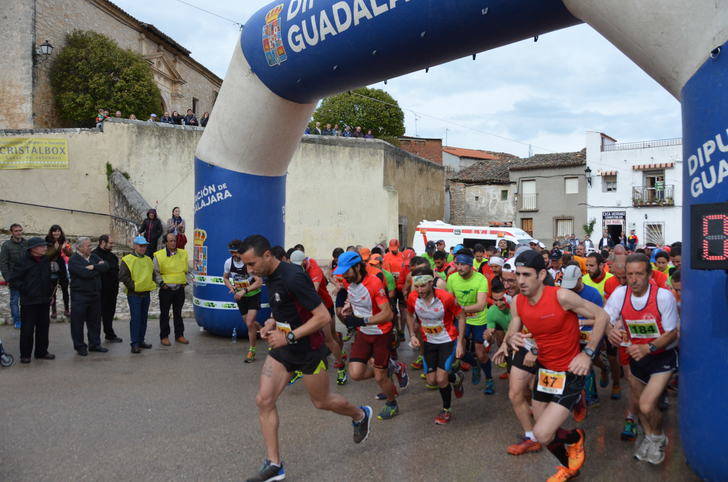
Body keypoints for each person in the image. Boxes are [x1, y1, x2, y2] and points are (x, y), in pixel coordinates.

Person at [239, 235, 372, 482]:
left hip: (308, 349)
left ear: (267, 255)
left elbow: (322, 317)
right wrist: (271, 323)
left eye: (252, 264)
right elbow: (286, 310)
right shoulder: (270, 276)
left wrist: (289, 337)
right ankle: (274, 463)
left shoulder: (293, 277)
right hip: (283, 348)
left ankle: (360, 414)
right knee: (264, 400)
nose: (250, 270)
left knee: (321, 402)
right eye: (247, 265)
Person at [508, 250, 609, 481]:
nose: (520, 280)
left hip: (570, 371)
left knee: (542, 434)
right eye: (518, 274)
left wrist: (588, 354)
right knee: (544, 433)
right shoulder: (517, 301)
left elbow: (601, 316)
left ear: (542, 274)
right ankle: (569, 467)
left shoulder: (562, 297)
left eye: (527, 274)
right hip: (545, 371)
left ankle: (575, 438)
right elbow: (514, 327)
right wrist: (511, 339)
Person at [605, 254, 679, 465]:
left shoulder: (663, 297)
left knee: (647, 405)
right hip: (636, 356)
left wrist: (649, 347)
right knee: (638, 403)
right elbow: (606, 317)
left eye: (639, 274)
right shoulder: (621, 293)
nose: (634, 279)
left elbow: (672, 332)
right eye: (630, 274)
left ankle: (658, 438)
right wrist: (611, 331)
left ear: (649, 275)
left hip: (661, 356)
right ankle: (649, 436)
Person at [335, 251, 402, 420]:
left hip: (381, 333)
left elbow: (387, 314)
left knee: (380, 377)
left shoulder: (374, 283)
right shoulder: (347, 281)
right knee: (356, 374)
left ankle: (392, 403)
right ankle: (392, 367)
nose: (343, 275)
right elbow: (355, 296)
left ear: (358, 267)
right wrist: (348, 306)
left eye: (346, 270)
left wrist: (362, 321)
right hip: (364, 334)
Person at [492, 260, 541, 455]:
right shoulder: (514, 299)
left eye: (513, 279)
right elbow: (515, 322)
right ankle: (531, 437)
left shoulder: (546, 294)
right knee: (515, 393)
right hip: (524, 345)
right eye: (506, 280)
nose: (509, 285)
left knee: (536, 394)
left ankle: (556, 433)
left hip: (546, 349)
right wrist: (505, 344)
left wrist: (536, 350)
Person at [406, 266, 465, 424]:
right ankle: (456, 377)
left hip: (447, 340)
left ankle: (446, 410)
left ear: (431, 283)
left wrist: (460, 343)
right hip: (429, 342)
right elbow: (408, 313)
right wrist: (412, 334)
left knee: (440, 379)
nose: (420, 290)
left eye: (423, 286)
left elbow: (461, 317)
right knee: (431, 380)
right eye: (416, 286)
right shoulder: (412, 297)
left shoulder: (445, 298)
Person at [290, 250, 348, 385]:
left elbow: (312, 293)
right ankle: (302, 367)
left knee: (329, 339)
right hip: (307, 308)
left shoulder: (314, 269)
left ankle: (341, 367)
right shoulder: (296, 269)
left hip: (323, 307)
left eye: (300, 265)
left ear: (305, 261)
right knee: (303, 338)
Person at [446, 250, 493, 394]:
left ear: (470, 265)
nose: (459, 268)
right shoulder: (452, 279)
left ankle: (489, 379)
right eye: (457, 264)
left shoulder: (480, 279)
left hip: (479, 319)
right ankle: (474, 365)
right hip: (462, 319)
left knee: (481, 353)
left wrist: (460, 309)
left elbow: (480, 305)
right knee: (459, 351)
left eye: (463, 265)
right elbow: (450, 301)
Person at [561, 264, 604, 408]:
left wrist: (582, 321)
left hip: (591, 335)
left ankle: (592, 396)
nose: (570, 288)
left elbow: (602, 318)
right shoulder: (564, 293)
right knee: (574, 366)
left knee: (589, 364)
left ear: (580, 279)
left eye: (573, 284)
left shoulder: (593, 294)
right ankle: (578, 396)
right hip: (572, 336)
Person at [8, 237, 55, 363]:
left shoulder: (45, 260)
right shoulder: (22, 261)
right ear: (33, 249)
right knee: (27, 329)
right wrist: (27, 289)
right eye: (42, 246)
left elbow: (48, 279)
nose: (45, 248)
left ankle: (41, 352)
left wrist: (51, 295)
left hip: (44, 300)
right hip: (29, 301)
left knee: (43, 328)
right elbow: (13, 280)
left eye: (45, 246)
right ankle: (25, 355)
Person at [68, 237, 109, 356]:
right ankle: (80, 346)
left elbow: (106, 266)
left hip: (95, 294)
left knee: (95, 321)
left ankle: (95, 344)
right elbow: (84, 273)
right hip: (80, 295)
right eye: (87, 246)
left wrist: (94, 267)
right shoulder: (74, 259)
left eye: (90, 245)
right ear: (79, 247)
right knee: (78, 322)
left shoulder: (94, 257)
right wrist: (97, 268)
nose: (90, 248)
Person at [223, 240, 263, 362]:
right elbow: (225, 277)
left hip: (253, 295)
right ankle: (262, 329)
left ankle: (252, 351)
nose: (234, 255)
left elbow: (259, 281)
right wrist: (232, 288)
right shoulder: (228, 263)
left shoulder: (248, 263)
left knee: (249, 322)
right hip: (240, 297)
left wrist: (244, 291)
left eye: (235, 252)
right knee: (249, 322)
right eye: (231, 252)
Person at [119, 236, 156, 353]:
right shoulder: (127, 260)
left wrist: (151, 283)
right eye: (141, 245)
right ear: (134, 246)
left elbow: (153, 274)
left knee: (143, 318)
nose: (143, 248)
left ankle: (141, 340)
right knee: (136, 318)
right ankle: (134, 343)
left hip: (146, 293)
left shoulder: (148, 259)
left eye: (145, 246)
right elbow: (123, 276)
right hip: (134, 294)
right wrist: (134, 286)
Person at [153, 233, 190, 346]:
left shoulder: (183, 254)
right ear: (166, 242)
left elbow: (186, 270)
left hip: (179, 289)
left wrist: (185, 282)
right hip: (166, 289)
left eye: (174, 240)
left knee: (178, 313)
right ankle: (164, 336)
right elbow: (155, 272)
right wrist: (162, 284)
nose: (173, 243)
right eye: (170, 241)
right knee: (164, 314)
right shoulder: (159, 255)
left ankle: (179, 335)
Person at [92, 235, 122, 343]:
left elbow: (114, 270)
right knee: (96, 316)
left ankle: (109, 334)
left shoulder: (112, 256)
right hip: (100, 290)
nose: (112, 245)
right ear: (103, 243)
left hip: (112, 290)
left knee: (109, 313)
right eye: (110, 243)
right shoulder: (94, 255)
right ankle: (95, 339)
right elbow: (99, 270)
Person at [1, 224, 27, 329]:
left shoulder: (26, 243)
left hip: (27, 278)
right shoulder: (6, 245)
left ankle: (27, 320)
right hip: (14, 279)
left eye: (20, 230)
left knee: (26, 301)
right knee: (14, 301)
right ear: (11, 232)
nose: (19, 232)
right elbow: (3, 263)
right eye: (16, 231)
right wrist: (8, 278)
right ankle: (17, 320)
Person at [45, 225, 72, 319]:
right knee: (53, 290)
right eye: (54, 231)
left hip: (61, 267)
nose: (57, 233)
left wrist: (65, 248)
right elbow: (47, 255)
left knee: (65, 289)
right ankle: (54, 311)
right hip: (51, 268)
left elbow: (70, 254)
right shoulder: (47, 241)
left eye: (58, 231)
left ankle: (67, 309)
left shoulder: (64, 240)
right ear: (51, 232)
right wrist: (58, 248)